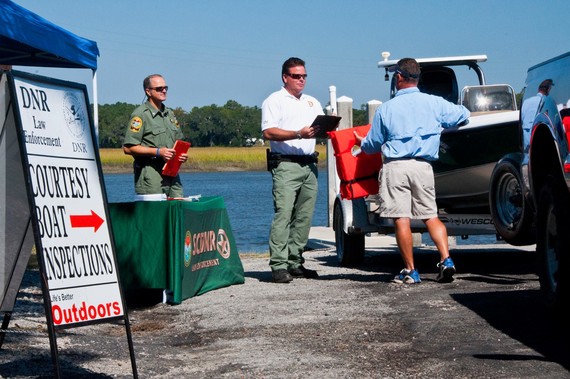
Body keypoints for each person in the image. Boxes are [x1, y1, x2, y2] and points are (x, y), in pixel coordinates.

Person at [354, 58, 470, 284]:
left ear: (398, 77)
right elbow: (463, 114)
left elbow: (373, 144)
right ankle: (446, 259)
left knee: (402, 219)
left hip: (396, 167)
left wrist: (362, 142)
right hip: (423, 166)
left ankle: (410, 271)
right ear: (418, 77)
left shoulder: (386, 109)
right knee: (430, 216)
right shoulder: (435, 103)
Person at [261, 57, 323, 283]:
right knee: (284, 214)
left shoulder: (312, 102)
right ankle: (278, 265)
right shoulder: (274, 100)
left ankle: (295, 261)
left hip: (309, 163)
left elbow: (317, 130)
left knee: (304, 216)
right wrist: (298, 133)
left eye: (304, 76)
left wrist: (325, 129)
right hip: (286, 163)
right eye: (296, 76)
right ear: (285, 77)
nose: (301, 80)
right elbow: (268, 132)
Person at [123, 74, 187, 199]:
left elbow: (178, 142)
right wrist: (158, 152)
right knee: (154, 214)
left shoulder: (169, 114)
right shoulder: (140, 115)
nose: (164, 91)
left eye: (165, 88)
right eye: (159, 88)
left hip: (172, 175)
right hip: (151, 176)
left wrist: (181, 155)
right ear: (148, 91)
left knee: (176, 213)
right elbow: (128, 148)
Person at [520, 79, 554, 152]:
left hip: (527, 143)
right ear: (548, 90)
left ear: (538, 89)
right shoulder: (545, 102)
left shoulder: (526, 102)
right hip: (540, 143)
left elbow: (522, 120)